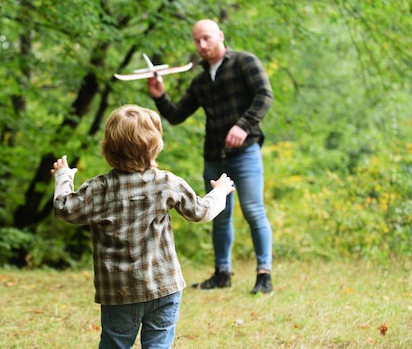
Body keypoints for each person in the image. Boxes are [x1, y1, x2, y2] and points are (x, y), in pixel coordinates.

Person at [51, 104, 235, 349]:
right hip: (164, 287)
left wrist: (64, 176)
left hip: (119, 292)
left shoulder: (98, 188)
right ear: (155, 146)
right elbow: (201, 212)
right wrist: (220, 192)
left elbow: (64, 208)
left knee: (115, 344)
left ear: (108, 148)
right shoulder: (167, 182)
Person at [146, 19, 274, 294]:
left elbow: (264, 95)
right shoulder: (201, 80)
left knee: (253, 211)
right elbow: (177, 115)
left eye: (206, 38)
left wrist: (244, 125)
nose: (202, 45)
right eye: (197, 41)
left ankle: (264, 275)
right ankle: (222, 273)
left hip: (246, 152)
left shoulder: (244, 62)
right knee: (218, 212)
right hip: (215, 156)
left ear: (220, 36)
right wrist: (160, 95)